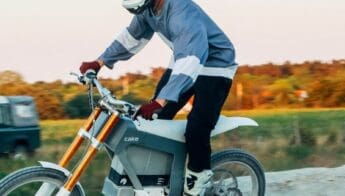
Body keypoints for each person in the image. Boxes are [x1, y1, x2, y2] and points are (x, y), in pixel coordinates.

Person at [79, 0, 237, 194]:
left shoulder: (182, 14)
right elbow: (131, 38)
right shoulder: (150, 8)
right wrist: (99, 62)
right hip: (183, 62)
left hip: (215, 67)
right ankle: (161, 177)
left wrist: (160, 101)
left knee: (197, 128)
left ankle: (199, 179)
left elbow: (192, 60)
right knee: (154, 121)